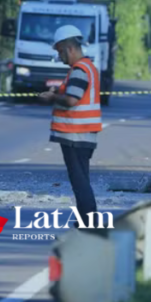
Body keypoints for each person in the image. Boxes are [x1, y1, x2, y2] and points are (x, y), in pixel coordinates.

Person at [39, 25, 103, 229]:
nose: (60, 57)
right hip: (82, 135)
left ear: (69, 48)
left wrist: (52, 97)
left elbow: (72, 100)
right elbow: (75, 93)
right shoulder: (87, 68)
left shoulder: (80, 70)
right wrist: (59, 91)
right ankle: (86, 221)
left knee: (80, 181)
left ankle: (89, 223)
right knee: (81, 179)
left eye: (60, 52)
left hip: (76, 135)